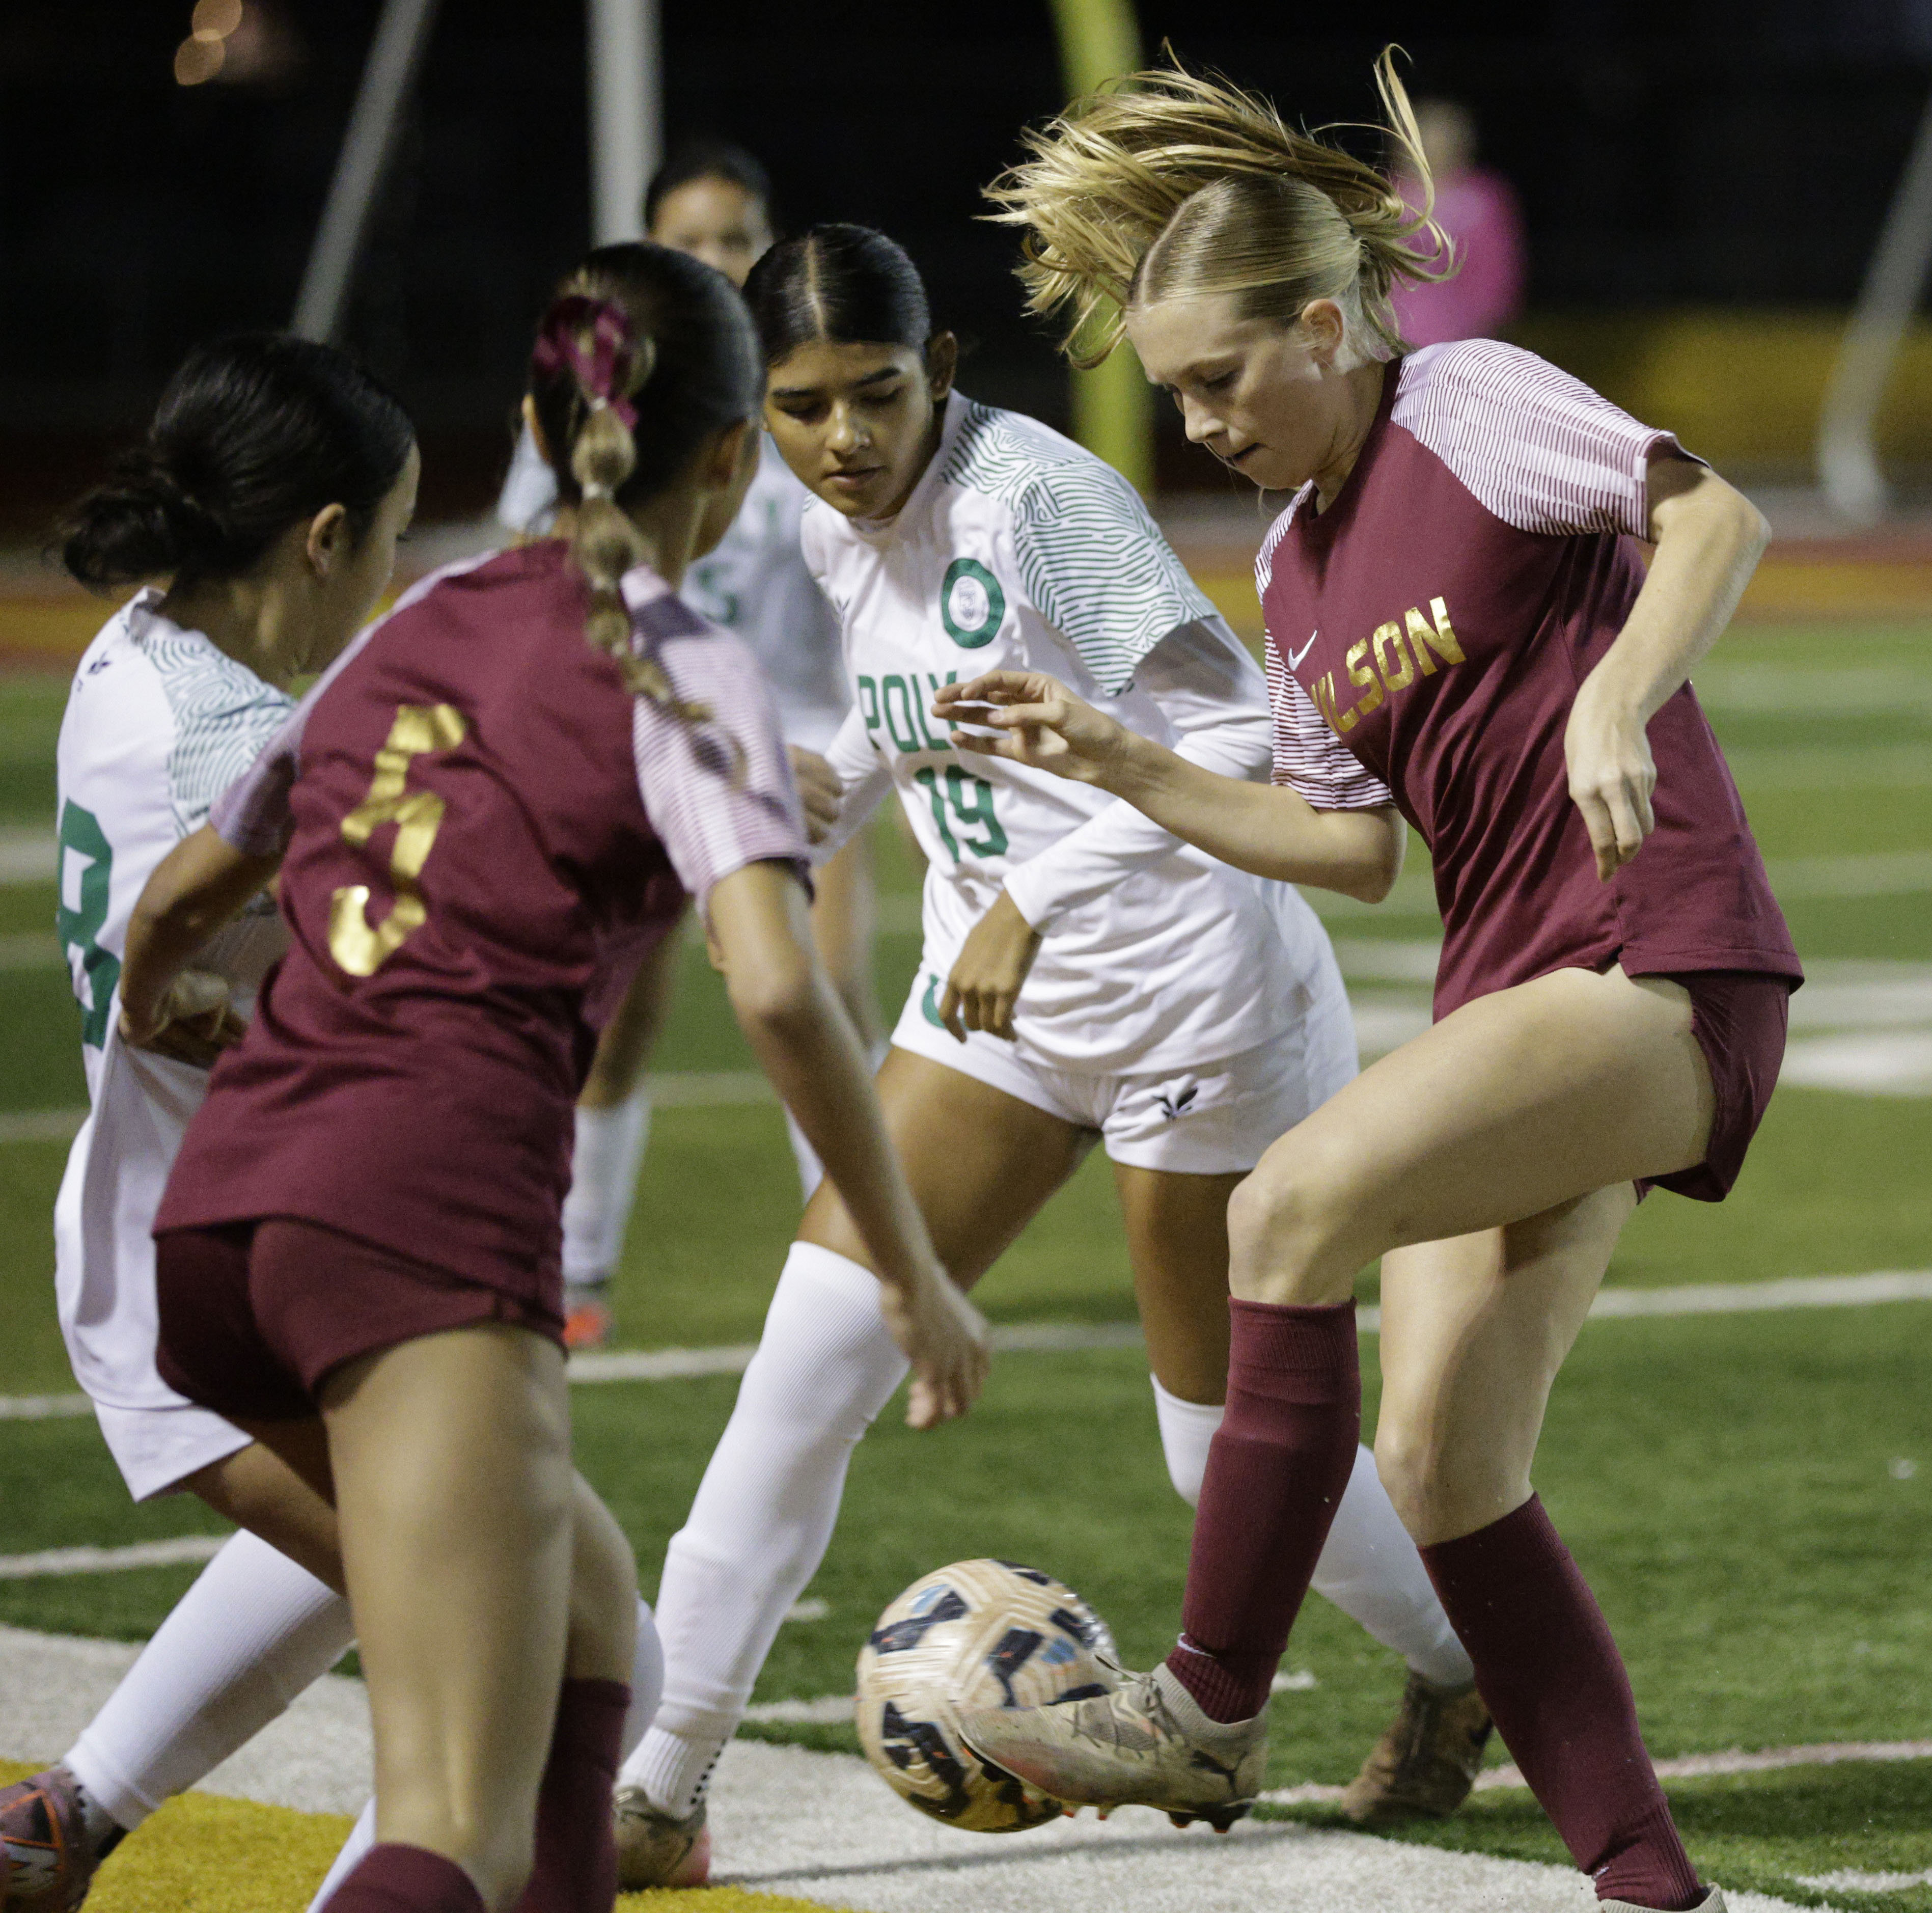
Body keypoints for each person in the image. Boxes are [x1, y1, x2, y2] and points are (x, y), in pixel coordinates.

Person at [952, 52, 1793, 1913]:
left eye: (1218, 380)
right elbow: (1346, 848)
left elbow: (1711, 517)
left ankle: (1205, 1705)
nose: (1198, 423)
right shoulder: (1290, 564)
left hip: (1657, 954)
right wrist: (1118, 759)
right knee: (1437, 1463)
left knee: (1286, 1202)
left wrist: (1612, 694)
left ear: (1325, 328)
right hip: (1516, 996)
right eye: (1173, 394)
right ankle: (1646, 1879)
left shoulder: (1464, 403)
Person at [609, 223, 1490, 1887]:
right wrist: (803, 806)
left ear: (940, 369)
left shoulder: (1034, 501)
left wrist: (1033, 893)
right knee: (801, 1374)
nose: (843, 437)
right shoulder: (825, 524)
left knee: (1209, 1446)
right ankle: (660, 1789)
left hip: (1194, 1001)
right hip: (996, 1010)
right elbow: (904, 725)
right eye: (803, 404)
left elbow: (1238, 734)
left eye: (877, 394)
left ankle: (1462, 1664)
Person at [124, 243, 985, 1913]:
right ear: (731, 455)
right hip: (414, 1224)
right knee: (455, 1818)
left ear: (537, 425)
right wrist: (908, 1262)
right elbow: (779, 989)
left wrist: (166, 996)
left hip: (222, 1225)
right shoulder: (683, 660)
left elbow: (184, 892)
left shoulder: (418, 614)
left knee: (596, 1627)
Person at [2, 336, 417, 1913]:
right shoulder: (239, 752)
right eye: (388, 538)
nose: (389, 578)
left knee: (405, 1558)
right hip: (224, 1279)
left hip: (195, 1242)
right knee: (550, 1650)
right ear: (322, 537)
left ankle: (59, 1827)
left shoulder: (136, 645)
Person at [498, 140, 876, 1349]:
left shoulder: (814, 381)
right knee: (618, 1016)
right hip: (647, 731)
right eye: (690, 237)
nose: (715, 255)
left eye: (735, 235)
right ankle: (578, 1267)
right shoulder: (606, 388)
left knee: (821, 995)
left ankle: (855, 1273)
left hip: (802, 745)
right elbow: (537, 563)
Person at [1388, 96, 1524, 345]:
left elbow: (1497, 270)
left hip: (1462, 335)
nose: (1431, 151)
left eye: (1440, 141)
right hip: (1387, 334)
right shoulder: (1383, 197)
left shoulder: (1482, 200)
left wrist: (1483, 326)